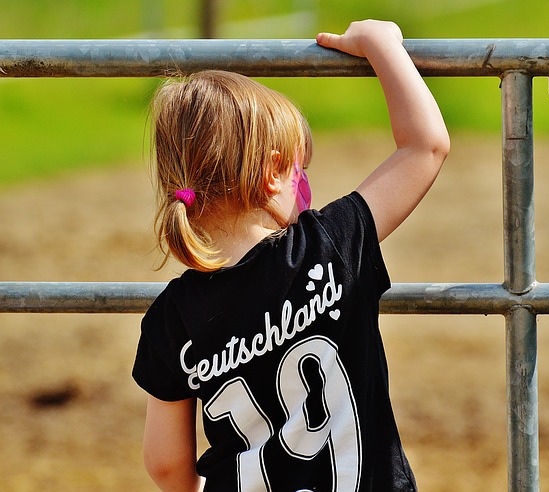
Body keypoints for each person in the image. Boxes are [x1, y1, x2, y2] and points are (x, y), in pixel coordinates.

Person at [132, 19, 449, 492]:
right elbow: (425, 147)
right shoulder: (331, 244)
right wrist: (381, 45)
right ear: (275, 171)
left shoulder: (170, 316)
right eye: (300, 168)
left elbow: (165, 466)